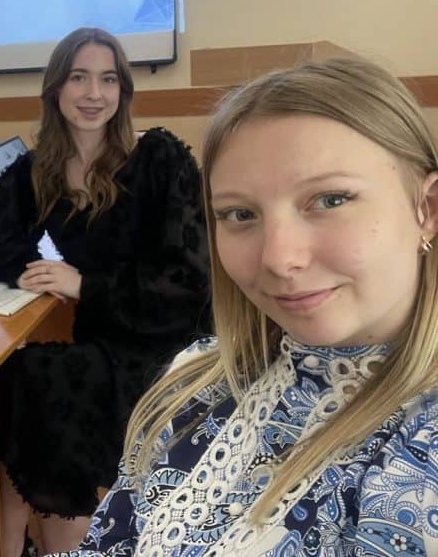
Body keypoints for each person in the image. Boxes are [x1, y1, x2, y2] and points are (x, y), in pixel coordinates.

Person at [51, 56, 438, 556]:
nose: (278, 259)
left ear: (427, 210)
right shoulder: (196, 380)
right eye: (240, 214)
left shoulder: (419, 460)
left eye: (330, 200)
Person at [0, 27, 210, 555]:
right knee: (15, 380)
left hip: (168, 343)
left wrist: (83, 284)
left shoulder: (160, 158)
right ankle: (15, 543)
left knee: (41, 385)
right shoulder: (36, 170)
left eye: (108, 79)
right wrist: (33, 271)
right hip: (102, 333)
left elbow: (189, 282)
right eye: (79, 77)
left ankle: (52, 544)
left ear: (123, 92)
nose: (94, 93)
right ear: (56, 88)